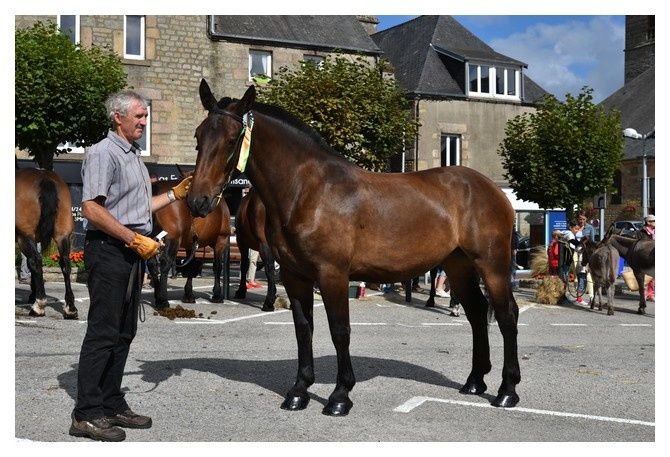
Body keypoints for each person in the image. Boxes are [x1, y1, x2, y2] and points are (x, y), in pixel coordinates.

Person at [69, 90, 192, 442]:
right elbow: (92, 209)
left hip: (129, 252)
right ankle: (86, 414)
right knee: (103, 332)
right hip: (108, 250)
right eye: (138, 115)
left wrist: (174, 195)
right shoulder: (103, 153)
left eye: (145, 115)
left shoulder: (134, 156)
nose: (144, 121)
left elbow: (137, 208)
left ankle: (110, 402)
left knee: (124, 332)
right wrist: (132, 238)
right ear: (117, 117)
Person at [638, 214, 655, 300]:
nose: (655, 223)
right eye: (654, 221)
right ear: (648, 222)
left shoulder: (655, 230)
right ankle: (644, 294)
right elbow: (640, 244)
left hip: (654, 256)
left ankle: (651, 294)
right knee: (645, 277)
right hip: (644, 257)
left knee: (654, 277)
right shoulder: (642, 232)